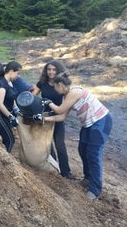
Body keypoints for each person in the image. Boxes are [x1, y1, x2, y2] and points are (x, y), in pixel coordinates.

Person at [33, 72, 112, 200]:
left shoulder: (74, 92)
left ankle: (95, 190)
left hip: (100, 121)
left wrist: (48, 102)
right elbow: (62, 117)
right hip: (88, 124)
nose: (54, 90)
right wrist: (44, 119)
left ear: (60, 85)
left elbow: (59, 110)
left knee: (93, 154)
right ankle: (87, 178)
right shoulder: (66, 97)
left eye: (55, 87)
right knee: (82, 150)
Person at [32, 60, 72, 178]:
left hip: (58, 117)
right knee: (47, 144)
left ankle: (66, 172)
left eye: (54, 69)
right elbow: (32, 96)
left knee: (60, 145)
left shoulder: (61, 83)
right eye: (49, 69)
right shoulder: (42, 83)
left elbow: (66, 101)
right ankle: (54, 167)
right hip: (46, 116)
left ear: (58, 71)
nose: (51, 72)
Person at [0, 61, 22, 153]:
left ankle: (1, 158)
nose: (18, 76)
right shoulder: (2, 85)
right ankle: (5, 163)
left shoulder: (8, 83)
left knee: (7, 139)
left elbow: (11, 98)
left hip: (3, 115)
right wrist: (11, 117)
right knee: (10, 140)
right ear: (11, 71)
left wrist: (16, 109)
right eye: (17, 73)